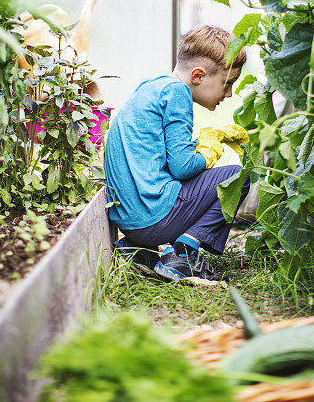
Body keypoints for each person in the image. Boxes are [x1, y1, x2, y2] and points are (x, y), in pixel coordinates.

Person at [104, 25, 251, 281]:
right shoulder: (177, 93)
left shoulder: (151, 87)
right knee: (237, 177)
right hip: (154, 219)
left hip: (129, 222)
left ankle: (139, 252)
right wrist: (209, 150)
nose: (229, 94)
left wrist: (204, 141)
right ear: (198, 76)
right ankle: (183, 255)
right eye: (227, 84)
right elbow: (182, 167)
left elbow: (159, 157)